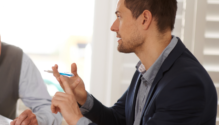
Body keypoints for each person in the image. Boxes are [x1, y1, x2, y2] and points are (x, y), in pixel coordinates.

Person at [50, 0, 217, 125]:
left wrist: (75, 118)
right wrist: (84, 98)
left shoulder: (187, 84)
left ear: (145, 19)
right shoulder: (146, 70)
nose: (113, 27)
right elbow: (118, 119)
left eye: (119, 16)